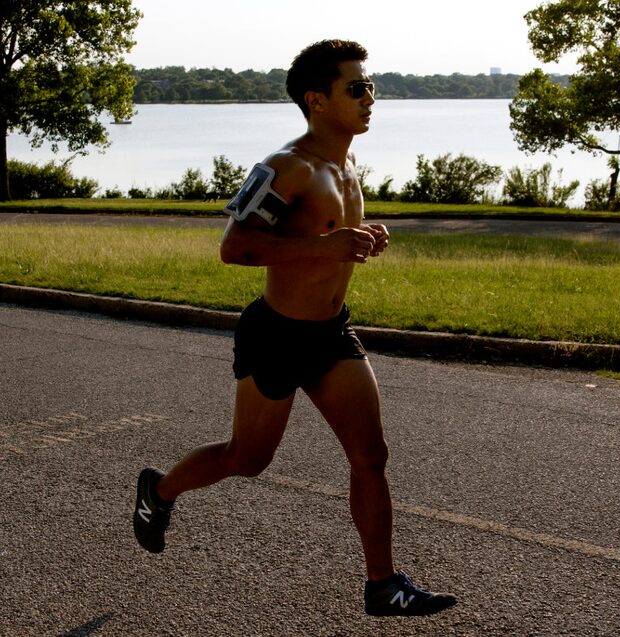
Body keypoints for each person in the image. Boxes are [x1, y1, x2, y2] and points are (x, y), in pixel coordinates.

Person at [132, 39, 457, 617]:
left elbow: (325, 241)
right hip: (277, 336)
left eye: (370, 86)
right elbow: (235, 247)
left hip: (331, 334)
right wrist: (324, 245)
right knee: (247, 459)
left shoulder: (347, 163)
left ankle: (382, 585)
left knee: (370, 456)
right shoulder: (287, 166)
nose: (369, 97)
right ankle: (159, 491)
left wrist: (356, 239)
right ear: (317, 99)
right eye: (355, 88)